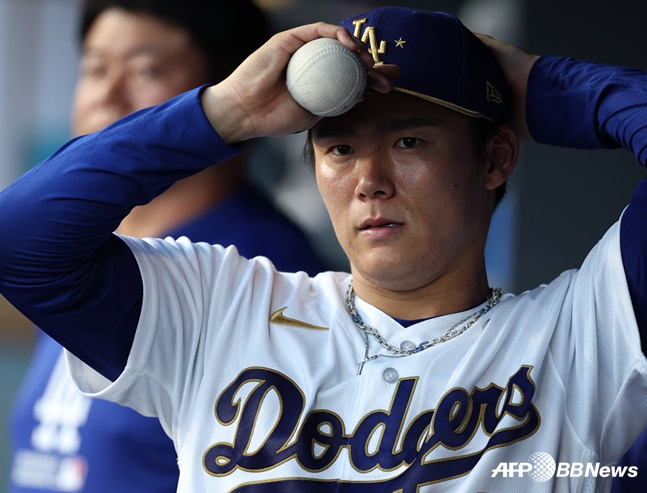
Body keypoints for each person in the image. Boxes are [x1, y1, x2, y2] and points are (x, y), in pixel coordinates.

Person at [1, 4, 646, 491]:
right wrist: (225, 112)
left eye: (409, 142)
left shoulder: (583, 335)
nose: (370, 181)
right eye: (339, 148)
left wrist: (546, 86)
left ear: (495, 158)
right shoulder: (221, 307)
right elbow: (20, 241)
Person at [6, 1, 327, 492]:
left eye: (145, 70)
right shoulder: (74, 247)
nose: (107, 95)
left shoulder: (269, 272)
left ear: (234, 89)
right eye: (93, 68)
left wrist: (221, 116)